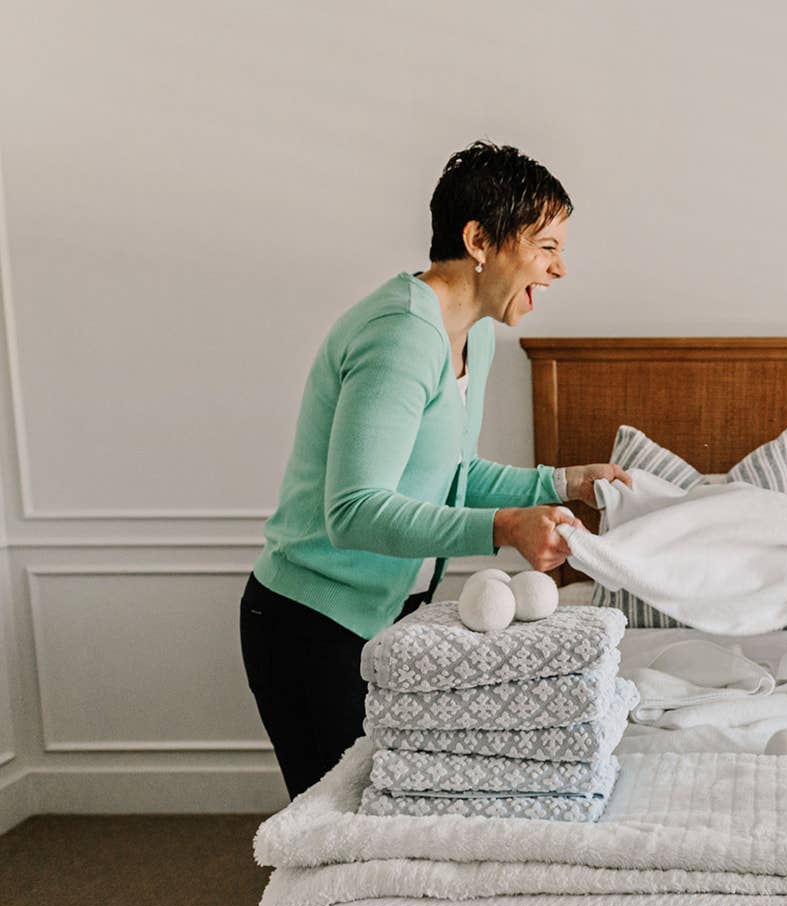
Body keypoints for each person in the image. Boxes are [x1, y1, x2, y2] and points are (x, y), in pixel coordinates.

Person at [240, 141, 629, 798]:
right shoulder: (400, 334)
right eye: (547, 246)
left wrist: (563, 483)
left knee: (382, 824)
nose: (560, 268)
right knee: (342, 837)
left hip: (381, 615)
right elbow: (356, 507)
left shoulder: (473, 332)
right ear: (480, 239)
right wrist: (506, 525)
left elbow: (450, 472)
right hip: (307, 625)